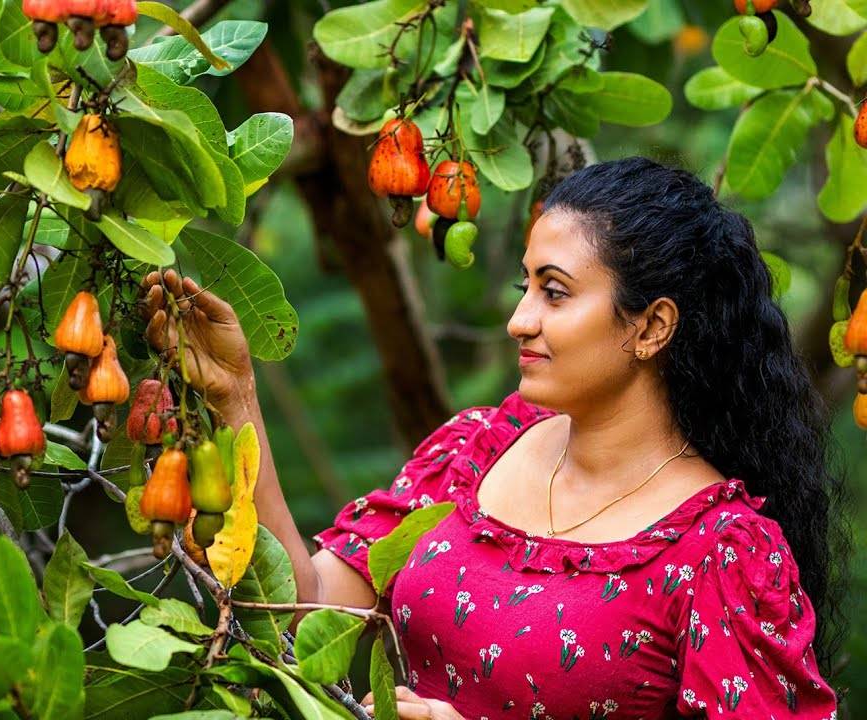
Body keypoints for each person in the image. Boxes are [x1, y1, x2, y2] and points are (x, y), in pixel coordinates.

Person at [138, 156, 849, 719]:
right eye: (524, 289)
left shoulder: (719, 550)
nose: (521, 321)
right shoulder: (477, 449)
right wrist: (236, 396)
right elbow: (300, 613)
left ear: (651, 327)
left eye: (556, 291)